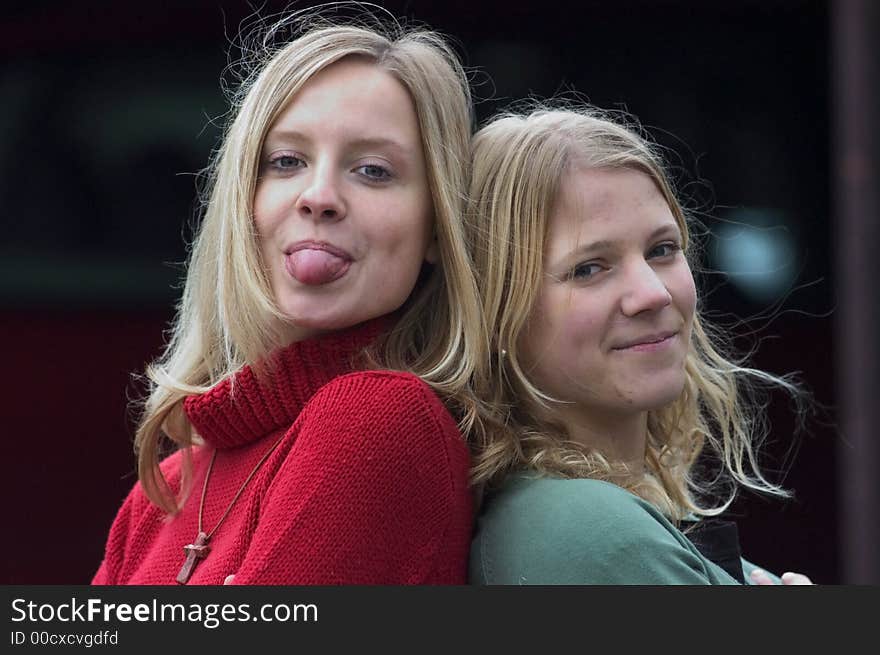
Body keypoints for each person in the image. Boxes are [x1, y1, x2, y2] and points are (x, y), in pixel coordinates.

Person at [91, 11, 483, 585]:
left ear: (436, 228)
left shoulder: (379, 419)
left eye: (373, 170)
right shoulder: (166, 490)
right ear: (242, 199)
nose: (319, 196)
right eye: (286, 162)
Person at [463, 105, 813, 585]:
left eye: (662, 250)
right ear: (497, 312)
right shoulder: (590, 532)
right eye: (590, 267)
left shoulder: (595, 514)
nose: (653, 292)